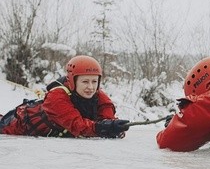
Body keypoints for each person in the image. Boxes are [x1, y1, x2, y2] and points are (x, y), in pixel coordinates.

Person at [0, 55, 130, 138]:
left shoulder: (98, 95)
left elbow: (108, 117)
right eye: (85, 82)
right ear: (73, 81)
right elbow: (77, 125)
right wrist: (103, 128)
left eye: (94, 81)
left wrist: (114, 127)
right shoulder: (56, 97)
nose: (91, 87)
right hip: (14, 126)